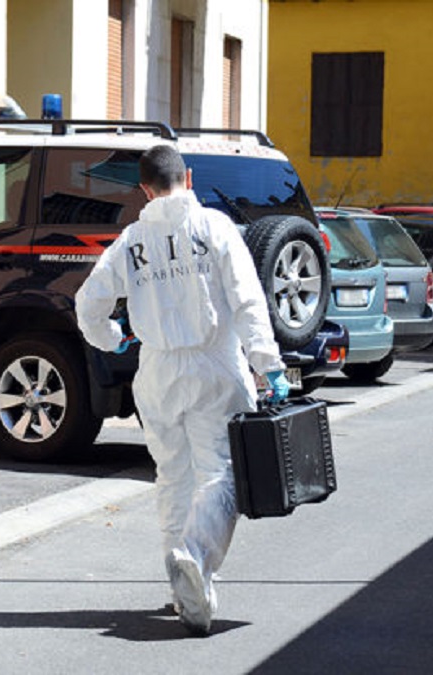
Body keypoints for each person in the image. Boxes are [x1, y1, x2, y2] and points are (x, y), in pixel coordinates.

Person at [75, 144, 291, 635]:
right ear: (188, 178)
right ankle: (193, 556)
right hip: (215, 364)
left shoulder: (130, 240)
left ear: (144, 190)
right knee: (222, 474)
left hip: (157, 372)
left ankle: (182, 592)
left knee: (173, 478)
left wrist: (113, 338)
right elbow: (247, 299)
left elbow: (88, 305)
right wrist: (267, 364)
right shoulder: (214, 227)